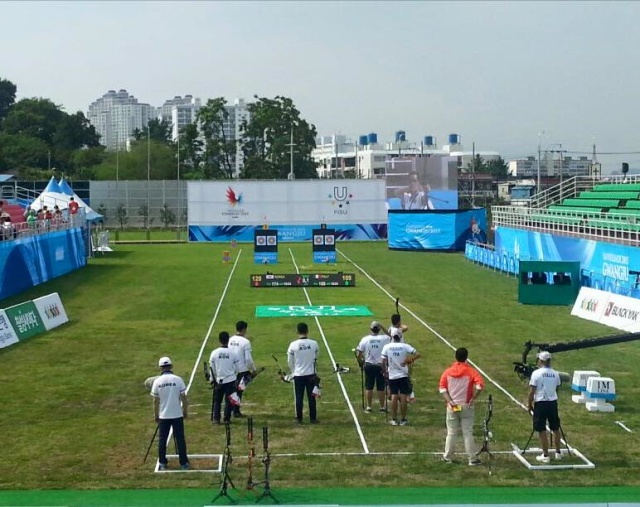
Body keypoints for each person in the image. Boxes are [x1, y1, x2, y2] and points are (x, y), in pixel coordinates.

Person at [439, 347, 485, 466]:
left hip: (452, 406)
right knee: (468, 432)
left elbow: (442, 389)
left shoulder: (448, 372)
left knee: (451, 432)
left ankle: (447, 456)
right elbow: (480, 386)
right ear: (466, 357)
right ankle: (472, 458)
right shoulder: (471, 371)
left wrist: (450, 401)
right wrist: (473, 398)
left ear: (456, 357)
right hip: (466, 406)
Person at [150, 356, 190, 470]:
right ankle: (183, 463)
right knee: (180, 439)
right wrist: (185, 411)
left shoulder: (157, 381)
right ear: (171, 366)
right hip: (177, 414)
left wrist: (156, 415)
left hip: (164, 415)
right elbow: (184, 397)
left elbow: (155, 400)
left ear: (160, 368)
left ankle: (162, 462)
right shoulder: (178, 379)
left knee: (162, 439)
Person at [528, 350, 563, 463]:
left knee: (541, 429)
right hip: (552, 403)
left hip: (541, 403)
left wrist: (529, 404)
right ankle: (558, 452)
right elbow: (556, 388)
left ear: (541, 361)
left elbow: (532, 391)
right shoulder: (555, 373)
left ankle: (546, 455)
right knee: (555, 428)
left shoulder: (536, 373)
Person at [381, 333, 420, 426]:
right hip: (403, 375)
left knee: (394, 396)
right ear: (400, 337)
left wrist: (384, 372)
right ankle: (403, 419)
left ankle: (394, 419)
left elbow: (382, 361)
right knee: (403, 396)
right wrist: (410, 360)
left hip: (392, 375)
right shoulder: (405, 346)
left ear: (392, 337)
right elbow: (418, 354)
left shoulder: (387, 347)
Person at [287, 322, 320, 424]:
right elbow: (316, 356)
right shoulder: (314, 343)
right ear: (307, 331)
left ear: (297, 331)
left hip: (299, 375)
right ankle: (313, 418)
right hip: (311, 374)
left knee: (299, 397)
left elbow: (289, 360)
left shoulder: (293, 345)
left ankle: (299, 418)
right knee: (312, 397)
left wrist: (293, 371)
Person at [356, 321, 390, 412]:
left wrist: (361, 362)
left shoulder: (365, 339)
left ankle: (369, 407)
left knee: (369, 386)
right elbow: (391, 335)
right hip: (380, 366)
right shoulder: (384, 338)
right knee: (381, 387)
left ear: (371, 329)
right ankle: (382, 407)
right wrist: (382, 326)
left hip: (369, 365)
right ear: (379, 329)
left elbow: (359, 353)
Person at [209, 331, 240, 425]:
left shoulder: (214, 353)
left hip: (219, 380)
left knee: (217, 400)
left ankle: (216, 419)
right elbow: (237, 368)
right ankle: (226, 418)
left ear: (219, 340)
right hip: (230, 380)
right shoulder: (233, 353)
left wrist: (212, 379)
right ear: (228, 340)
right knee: (229, 400)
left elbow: (212, 368)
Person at [228, 320, 256, 418]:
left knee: (233, 390)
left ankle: (233, 410)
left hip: (231, 369)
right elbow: (248, 359)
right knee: (239, 390)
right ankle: (236, 411)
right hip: (242, 370)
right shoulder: (245, 342)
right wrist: (253, 369)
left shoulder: (230, 339)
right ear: (244, 329)